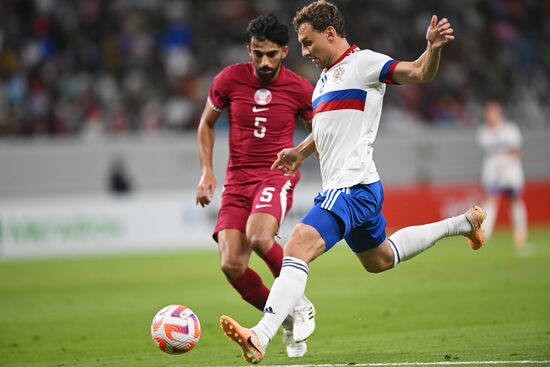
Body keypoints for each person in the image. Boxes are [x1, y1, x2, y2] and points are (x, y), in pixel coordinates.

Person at [218, 1, 486, 364]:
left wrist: (432, 49)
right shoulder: (326, 80)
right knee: (379, 259)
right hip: (360, 188)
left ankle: (260, 335)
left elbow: (420, 73)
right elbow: (327, 130)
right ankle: (463, 223)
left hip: (352, 185)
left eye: (309, 42)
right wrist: (299, 151)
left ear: (330, 34)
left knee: (296, 245)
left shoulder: (364, 64)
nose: (305, 52)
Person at [195, 14, 316, 358]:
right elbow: (206, 124)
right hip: (237, 180)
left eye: (272, 55)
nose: (264, 62)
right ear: (249, 49)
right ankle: (287, 315)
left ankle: (301, 302)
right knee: (231, 265)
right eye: (258, 53)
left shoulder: (299, 88)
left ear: (285, 51)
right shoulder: (229, 80)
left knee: (260, 236)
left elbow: (322, 130)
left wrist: (299, 154)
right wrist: (207, 172)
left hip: (276, 174)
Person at [478, 99, 529, 254]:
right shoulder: (484, 132)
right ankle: (485, 235)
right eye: (487, 113)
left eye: (492, 112)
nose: (489, 116)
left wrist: (506, 164)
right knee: (492, 200)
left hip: (511, 171)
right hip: (493, 171)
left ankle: (520, 234)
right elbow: (490, 152)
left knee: (515, 200)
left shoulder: (510, 129)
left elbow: (516, 151)